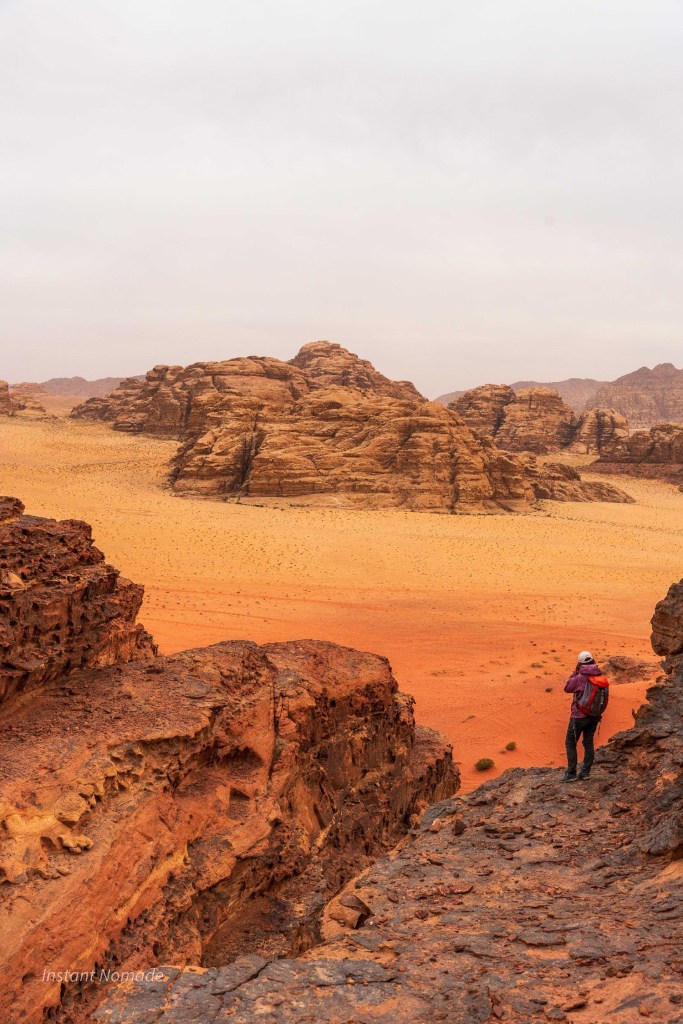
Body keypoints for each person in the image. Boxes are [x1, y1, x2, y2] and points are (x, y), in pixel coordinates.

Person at [562, 651, 609, 782]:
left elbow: (567, 688)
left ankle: (571, 773)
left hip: (578, 716)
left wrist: (574, 674)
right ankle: (585, 773)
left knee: (570, 743)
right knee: (588, 743)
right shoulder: (599, 677)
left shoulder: (580, 677)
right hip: (594, 716)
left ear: (580, 663)